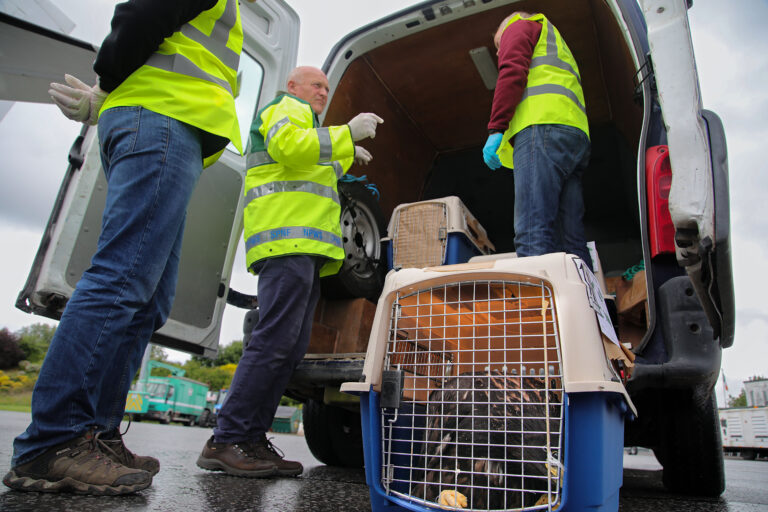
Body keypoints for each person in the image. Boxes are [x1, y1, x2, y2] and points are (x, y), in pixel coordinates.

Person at [4, 0, 250, 495]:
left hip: (169, 124)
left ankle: (95, 432)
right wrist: (108, 83)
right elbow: (140, 15)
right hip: (159, 117)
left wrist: (109, 93)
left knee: (149, 296)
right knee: (123, 278)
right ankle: (53, 442)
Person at [196, 66, 383, 477]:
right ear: (293, 86)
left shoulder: (311, 126)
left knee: (290, 346)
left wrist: (346, 152)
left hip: (306, 250)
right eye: (316, 85)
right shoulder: (285, 108)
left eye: (326, 89)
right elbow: (290, 148)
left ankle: (249, 438)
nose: (322, 92)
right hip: (286, 243)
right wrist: (346, 134)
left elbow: (314, 169)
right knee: (273, 341)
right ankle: (227, 438)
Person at [482, 11, 593, 268]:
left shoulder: (519, 26)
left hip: (541, 130)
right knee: (571, 242)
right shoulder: (554, 41)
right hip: (573, 135)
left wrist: (496, 128)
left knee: (532, 234)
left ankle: (541, 309)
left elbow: (512, 72)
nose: (499, 52)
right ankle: (589, 306)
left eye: (498, 45)